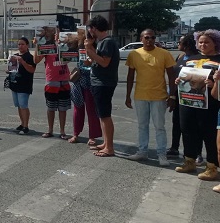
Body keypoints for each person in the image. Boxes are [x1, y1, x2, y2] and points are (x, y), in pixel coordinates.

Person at [125, 29, 177, 167]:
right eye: (147, 37)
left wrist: (172, 95)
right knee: (142, 126)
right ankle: (142, 151)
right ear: (141, 39)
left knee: (159, 126)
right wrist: (127, 96)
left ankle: (161, 154)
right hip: (140, 96)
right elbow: (130, 76)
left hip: (159, 96)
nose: (150, 40)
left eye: (153, 37)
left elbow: (172, 76)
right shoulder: (134, 54)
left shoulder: (164, 54)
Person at [174, 29, 220, 185]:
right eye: (200, 42)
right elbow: (184, 77)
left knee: (209, 134)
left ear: (215, 43)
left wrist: (214, 84)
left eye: (207, 42)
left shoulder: (219, 60)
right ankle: (189, 161)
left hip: (210, 104)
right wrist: (179, 81)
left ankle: (212, 166)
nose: (203, 44)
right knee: (187, 131)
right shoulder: (190, 59)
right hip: (188, 101)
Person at [85, 15, 120, 157]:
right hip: (99, 82)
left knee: (105, 115)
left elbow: (105, 62)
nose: (90, 32)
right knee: (101, 114)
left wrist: (90, 51)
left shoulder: (107, 42)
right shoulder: (101, 42)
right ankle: (106, 143)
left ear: (94, 28)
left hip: (103, 83)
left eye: (90, 28)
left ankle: (109, 147)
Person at [168, 34, 203, 162]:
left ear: (187, 44)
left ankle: (197, 152)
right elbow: (174, 75)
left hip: (194, 96)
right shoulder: (180, 56)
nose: (178, 44)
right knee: (177, 122)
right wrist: (171, 95)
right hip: (179, 95)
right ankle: (174, 148)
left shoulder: (199, 58)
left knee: (194, 126)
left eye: (180, 42)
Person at [33, 33, 71, 139]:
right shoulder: (47, 46)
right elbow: (36, 60)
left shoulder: (66, 45)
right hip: (51, 80)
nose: (57, 35)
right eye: (55, 33)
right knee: (51, 108)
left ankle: (62, 131)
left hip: (64, 80)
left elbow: (70, 59)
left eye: (59, 33)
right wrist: (37, 45)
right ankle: (50, 130)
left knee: (63, 108)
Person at [68, 32, 101, 145]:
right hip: (78, 79)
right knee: (78, 108)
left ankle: (93, 136)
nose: (87, 40)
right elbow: (64, 52)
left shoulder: (97, 48)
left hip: (91, 80)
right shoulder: (78, 47)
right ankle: (75, 133)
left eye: (89, 38)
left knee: (92, 109)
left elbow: (97, 62)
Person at [8, 37, 36, 135]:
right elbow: (12, 68)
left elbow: (32, 70)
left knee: (23, 105)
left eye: (23, 44)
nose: (20, 46)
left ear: (27, 45)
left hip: (24, 85)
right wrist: (9, 70)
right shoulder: (14, 56)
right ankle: (22, 123)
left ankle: (26, 126)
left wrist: (23, 62)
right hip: (15, 83)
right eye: (19, 44)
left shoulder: (29, 57)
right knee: (19, 105)